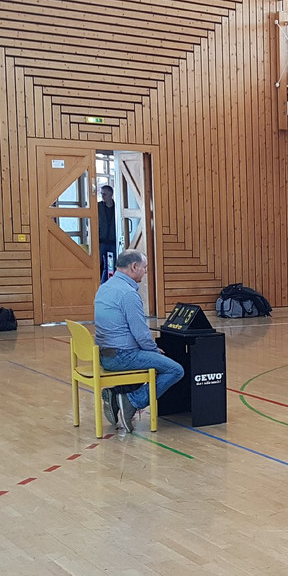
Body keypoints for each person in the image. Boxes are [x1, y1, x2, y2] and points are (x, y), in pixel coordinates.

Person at [94, 249, 184, 432]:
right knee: (175, 369)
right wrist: (154, 350)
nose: (146, 271)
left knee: (150, 360)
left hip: (104, 355)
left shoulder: (105, 287)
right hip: (122, 356)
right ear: (134, 267)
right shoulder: (128, 294)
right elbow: (141, 334)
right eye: (144, 267)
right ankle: (131, 401)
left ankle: (116, 393)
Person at [98, 184, 117, 283]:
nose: (102, 196)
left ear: (111, 195)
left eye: (104, 194)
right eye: (101, 194)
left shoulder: (117, 208)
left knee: (111, 266)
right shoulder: (98, 207)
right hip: (101, 241)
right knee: (98, 265)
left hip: (113, 241)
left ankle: (110, 283)